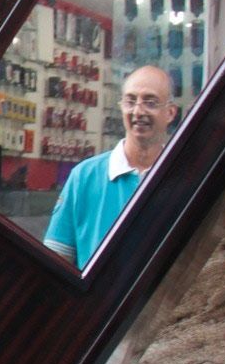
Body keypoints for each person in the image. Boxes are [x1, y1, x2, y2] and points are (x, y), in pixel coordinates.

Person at [45, 64, 178, 266]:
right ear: (121, 106)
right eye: (130, 101)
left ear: (170, 113)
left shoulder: (183, 176)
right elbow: (55, 261)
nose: (138, 111)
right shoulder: (84, 177)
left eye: (150, 102)